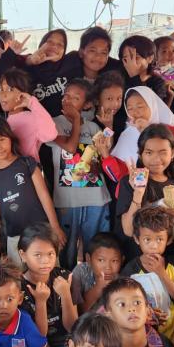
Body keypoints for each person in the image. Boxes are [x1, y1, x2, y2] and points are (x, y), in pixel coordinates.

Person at [0, 117, 64, 262]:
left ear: (10, 138)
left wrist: (55, 226)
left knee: (48, 273)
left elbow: (44, 195)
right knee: (21, 280)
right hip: (14, 239)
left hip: (42, 232)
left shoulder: (26, 163)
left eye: (2, 139)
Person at [49, 79, 111, 270]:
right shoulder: (53, 124)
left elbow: (104, 161)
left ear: (86, 105)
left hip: (96, 199)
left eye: (75, 98)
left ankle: (94, 285)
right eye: (66, 95)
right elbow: (70, 146)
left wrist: (94, 167)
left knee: (96, 248)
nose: (68, 100)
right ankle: (66, 288)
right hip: (67, 201)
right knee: (65, 250)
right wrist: (76, 120)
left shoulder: (93, 128)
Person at [115, 124, 174, 261]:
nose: (156, 159)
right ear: (140, 153)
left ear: (173, 153)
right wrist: (138, 193)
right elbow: (128, 230)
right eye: (149, 153)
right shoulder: (128, 182)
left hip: (168, 262)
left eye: (163, 152)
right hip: (137, 261)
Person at [120, 207, 174, 341]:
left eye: (159, 240)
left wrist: (161, 273)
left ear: (168, 240)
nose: (153, 246)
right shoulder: (131, 270)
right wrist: (147, 313)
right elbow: (124, 304)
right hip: (143, 333)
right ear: (136, 239)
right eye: (147, 239)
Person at [19, 224, 77, 347]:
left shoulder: (66, 277)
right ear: (23, 255)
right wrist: (41, 301)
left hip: (67, 344)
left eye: (50, 254)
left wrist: (65, 295)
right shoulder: (18, 287)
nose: (45, 261)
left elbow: (72, 327)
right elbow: (40, 335)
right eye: (37, 255)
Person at [105, 87, 174, 170]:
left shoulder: (169, 127)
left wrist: (149, 129)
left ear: (152, 105)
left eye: (140, 107)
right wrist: (105, 153)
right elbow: (119, 170)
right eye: (130, 109)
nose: (135, 112)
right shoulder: (128, 133)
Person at [0, 68, 57, 161]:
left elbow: (50, 135)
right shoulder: (1, 121)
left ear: (23, 93)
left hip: (28, 173)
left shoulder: (31, 117)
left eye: (9, 89)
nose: (3, 94)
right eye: (1, 89)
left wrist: (32, 103)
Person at [71, 232, 123, 313]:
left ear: (122, 260)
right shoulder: (80, 271)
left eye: (114, 261)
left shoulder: (121, 281)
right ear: (88, 259)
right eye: (101, 260)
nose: (108, 267)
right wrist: (98, 287)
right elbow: (77, 310)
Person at [119, 35, 169, 102]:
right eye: (125, 59)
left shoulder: (158, 83)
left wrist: (134, 76)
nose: (131, 63)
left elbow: (148, 106)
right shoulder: (118, 78)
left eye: (136, 57)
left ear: (150, 58)